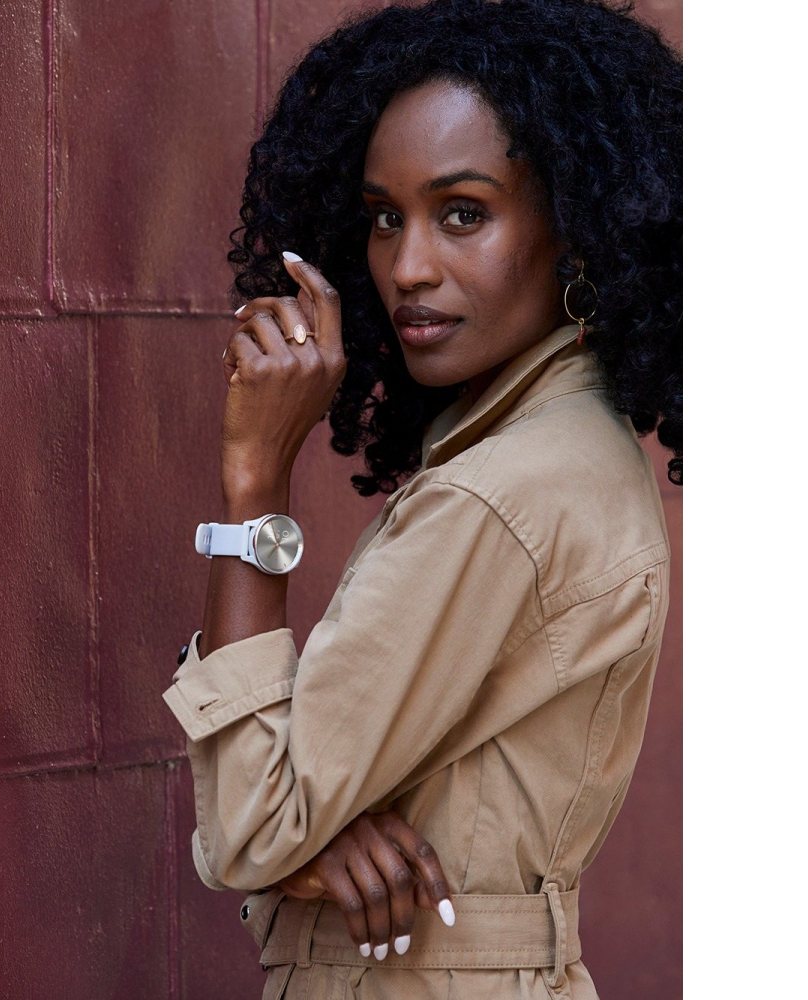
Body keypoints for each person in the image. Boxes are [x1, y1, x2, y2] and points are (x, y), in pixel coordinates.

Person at [162, 0, 682, 996]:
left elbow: (248, 827)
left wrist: (253, 485)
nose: (406, 268)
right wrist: (317, 839)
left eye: (463, 213)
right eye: (383, 217)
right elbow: (284, 825)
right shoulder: (564, 450)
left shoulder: (501, 496)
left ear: (576, 228)